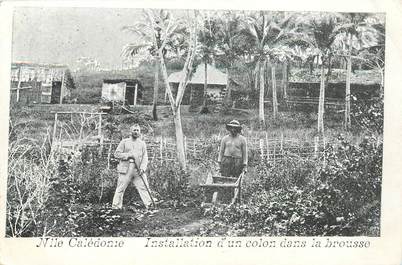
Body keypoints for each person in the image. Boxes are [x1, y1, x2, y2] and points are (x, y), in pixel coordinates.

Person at [112, 124, 153, 210]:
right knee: (120, 188)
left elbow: (145, 157)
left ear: (140, 132)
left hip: (138, 169)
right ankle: (116, 207)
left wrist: (142, 168)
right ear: (130, 132)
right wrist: (128, 155)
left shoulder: (142, 144)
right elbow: (116, 154)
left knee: (144, 187)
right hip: (126, 169)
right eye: (134, 130)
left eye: (138, 130)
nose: (136, 132)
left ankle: (149, 205)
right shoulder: (124, 142)